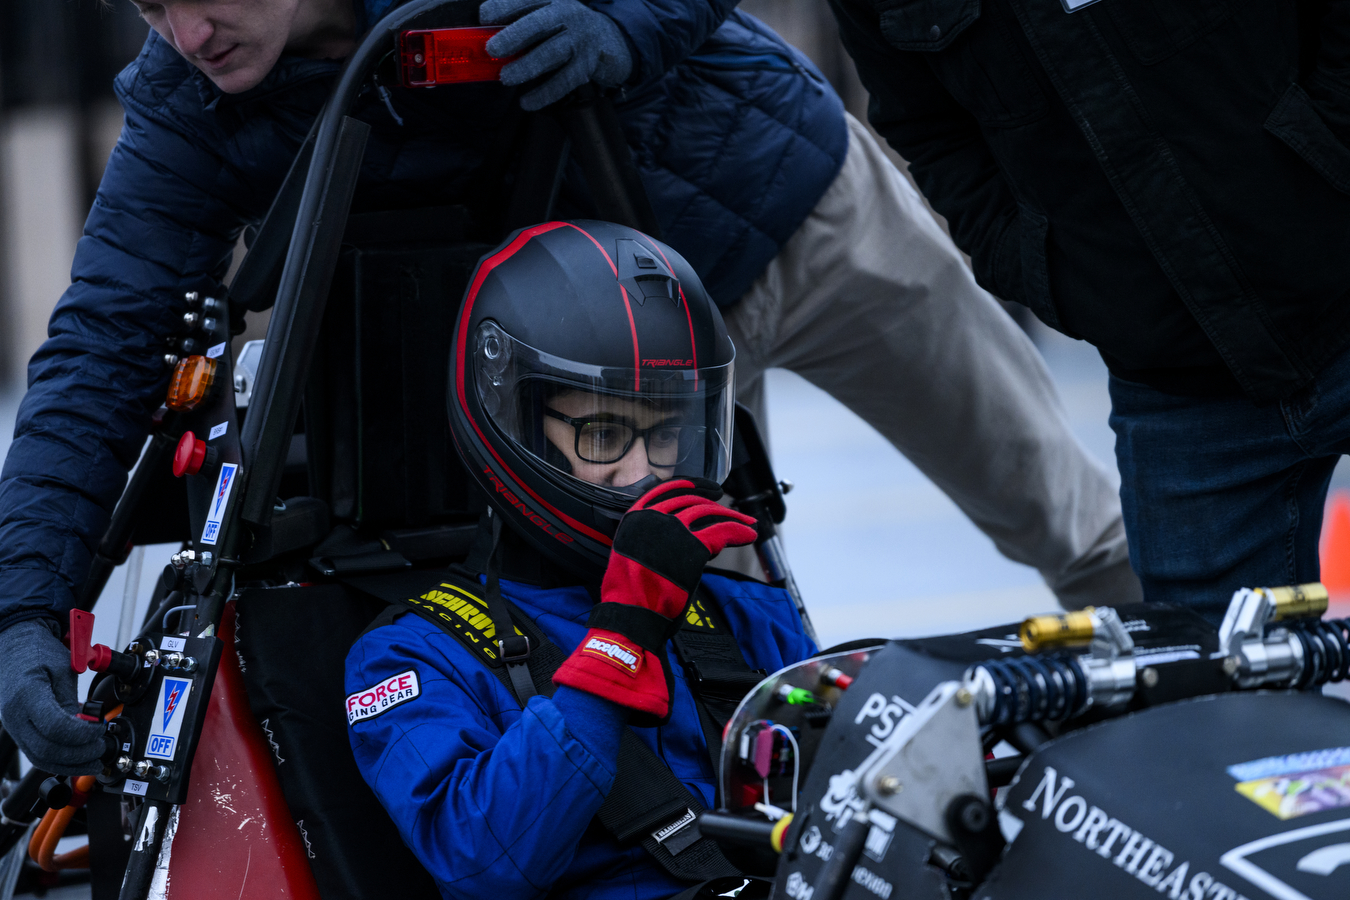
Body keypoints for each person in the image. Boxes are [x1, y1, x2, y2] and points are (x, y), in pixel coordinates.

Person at [0, 0, 1135, 777]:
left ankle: (1227, 752)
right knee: (731, 668)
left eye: (203, 0)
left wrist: (622, 20)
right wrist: (23, 607)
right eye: (151, 11)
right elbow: (102, 342)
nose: (187, 34)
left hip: (798, 207)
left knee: (1062, 512)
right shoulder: (188, 108)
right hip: (633, 351)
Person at [825, 0, 1350, 621]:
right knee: (1214, 697)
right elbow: (928, 127)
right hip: (1175, 378)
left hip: (1336, 261)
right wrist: (1041, 268)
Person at [346, 220, 813, 898]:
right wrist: (623, 638)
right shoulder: (409, 657)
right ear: (518, 424)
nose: (643, 475)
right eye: (603, 434)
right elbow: (486, 861)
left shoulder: (744, 615)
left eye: (666, 439)